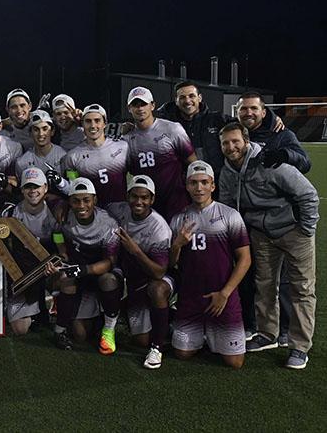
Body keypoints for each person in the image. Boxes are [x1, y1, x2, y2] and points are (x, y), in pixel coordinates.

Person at [218, 122, 318, 369]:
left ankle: (299, 347)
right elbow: (229, 206)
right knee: (264, 286)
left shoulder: (270, 162)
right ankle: (267, 334)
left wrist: (305, 229)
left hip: (293, 231)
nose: (231, 147)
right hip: (262, 234)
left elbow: (308, 194)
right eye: (226, 143)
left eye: (235, 141)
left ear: (246, 140)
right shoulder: (227, 171)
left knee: (302, 289)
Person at [169, 161, 251, 369]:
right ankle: (200, 332)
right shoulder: (179, 220)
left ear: (213, 186)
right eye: (193, 183)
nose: (199, 188)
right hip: (191, 296)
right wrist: (177, 245)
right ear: (187, 186)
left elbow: (245, 258)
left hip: (223, 295)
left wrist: (225, 293)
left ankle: (212, 333)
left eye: (204, 182)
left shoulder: (230, 216)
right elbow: (171, 264)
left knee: (234, 362)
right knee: (182, 353)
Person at [106, 175, 173, 369]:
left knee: (157, 290)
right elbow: (98, 207)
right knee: (140, 339)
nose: (139, 202)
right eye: (134, 196)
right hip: (135, 280)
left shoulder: (159, 228)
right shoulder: (118, 209)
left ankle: (157, 348)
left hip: (157, 278)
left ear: (152, 199)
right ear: (128, 196)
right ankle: (157, 317)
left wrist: (135, 250)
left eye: (144, 197)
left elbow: (159, 272)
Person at [0, 167, 60, 335]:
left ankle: (56, 305)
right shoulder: (11, 212)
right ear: (21, 190)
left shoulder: (56, 212)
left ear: (45, 188)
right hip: (23, 275)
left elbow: (63, 246)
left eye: (37, 187)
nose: (33, 191)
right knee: (20, 329)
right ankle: (37, 309)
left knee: (62, 276)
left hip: (49, 269)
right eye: (28, 187)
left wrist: (57, 264)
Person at [51, 178, 120, 352]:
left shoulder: (108, 223)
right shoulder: (64, 216)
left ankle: (109, 328)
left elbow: (110, 261)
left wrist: (85, 270)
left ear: (94, 200)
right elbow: (57, 233)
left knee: (109, 280)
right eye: (76, 200)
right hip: (78, 272)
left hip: (98, 272)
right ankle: (59, 330)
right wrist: (62, 251)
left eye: (86, 200)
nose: (81, 205)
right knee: (81, 335)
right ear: (70, 202)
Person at [124, 86, 196, 222]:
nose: (140, 108)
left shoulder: (172, 129)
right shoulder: (126, 140)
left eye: (144, 104)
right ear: (129, 108)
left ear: (152, 106)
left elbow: (193, 162)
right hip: (147, 205)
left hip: (176, 201)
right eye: (135, 105)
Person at [61, 104, 129, 206]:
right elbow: (73, 187)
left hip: (123, 211)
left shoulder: (123, 147)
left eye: (97, 120)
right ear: (82, 124)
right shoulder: (72, 157)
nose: (93, 126)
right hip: (92, 215)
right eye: (88, 121)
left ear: (105, 123)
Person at [236, 91, 310, 174]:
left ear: (263, 113)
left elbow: (305, 164)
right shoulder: (228, 132)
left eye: (254, 108)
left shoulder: (281, 134)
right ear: (237, 113)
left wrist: (285, 155)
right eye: (243, 109)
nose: (249, 113)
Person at [14, 110, 67, 177]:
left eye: (45, 129)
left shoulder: (64, 156)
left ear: (52, 131)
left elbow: (72, 183)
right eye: (36, 130)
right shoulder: (22, 162)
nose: (41, 134)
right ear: (30, 133)